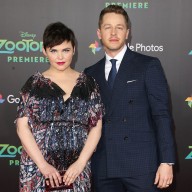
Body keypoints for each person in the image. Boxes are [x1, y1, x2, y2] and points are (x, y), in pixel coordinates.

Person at [84, 5, 175, 192]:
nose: (114, 32)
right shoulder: (90, 73)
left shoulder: (148, 65)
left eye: (120, 27)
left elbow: (161, 115)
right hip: (104, 165)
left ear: (127, 32)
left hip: (141, 165)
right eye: (108, 27)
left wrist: (166, 161)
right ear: (99, 33)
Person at [16, 22, 103, 192]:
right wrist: (43, 165)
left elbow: (96, 127)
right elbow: (22, 128)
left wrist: (80, 164)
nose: (60, 57)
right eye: (54, 51)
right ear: (44, 51)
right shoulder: (34, 84)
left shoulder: (88, 84)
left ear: (74, 49)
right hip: (38, 170)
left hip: (76, 172)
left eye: (65, 50)